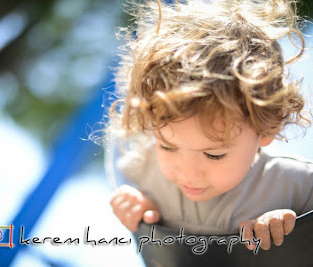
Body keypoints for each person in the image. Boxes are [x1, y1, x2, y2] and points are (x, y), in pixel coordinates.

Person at [104, 0, 313, 252]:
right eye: (167, 147)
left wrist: (295, 226)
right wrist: (134, 204)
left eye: (214, 154)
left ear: (266, 129)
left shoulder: (296, 188)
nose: (188, 174)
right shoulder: (142, 169)